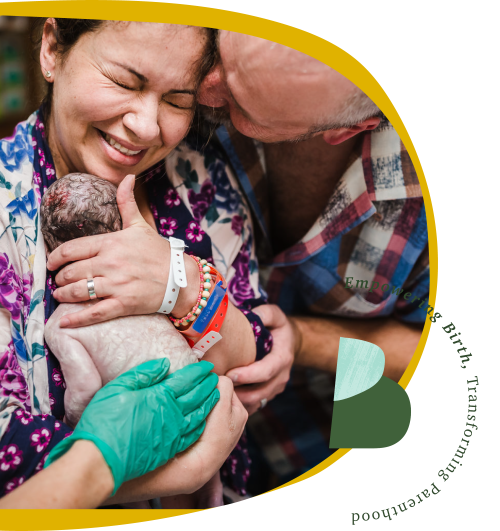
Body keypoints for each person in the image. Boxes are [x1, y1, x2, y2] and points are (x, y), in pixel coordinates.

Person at [46, 28, 427, 492]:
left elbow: (455, 359)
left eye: (242, 101)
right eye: (222, 54)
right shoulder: (184, 98)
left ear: (346, 129)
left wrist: (300, 338)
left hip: (357, 449)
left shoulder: (440, 193)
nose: (203, 88)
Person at [0, 18, 251, 503]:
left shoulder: (199, 180)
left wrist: (181, 282)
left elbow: (253, 358)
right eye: (123, 82)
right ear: (52, 49)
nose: (146, 126)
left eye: (178, 100)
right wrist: (182, 471)